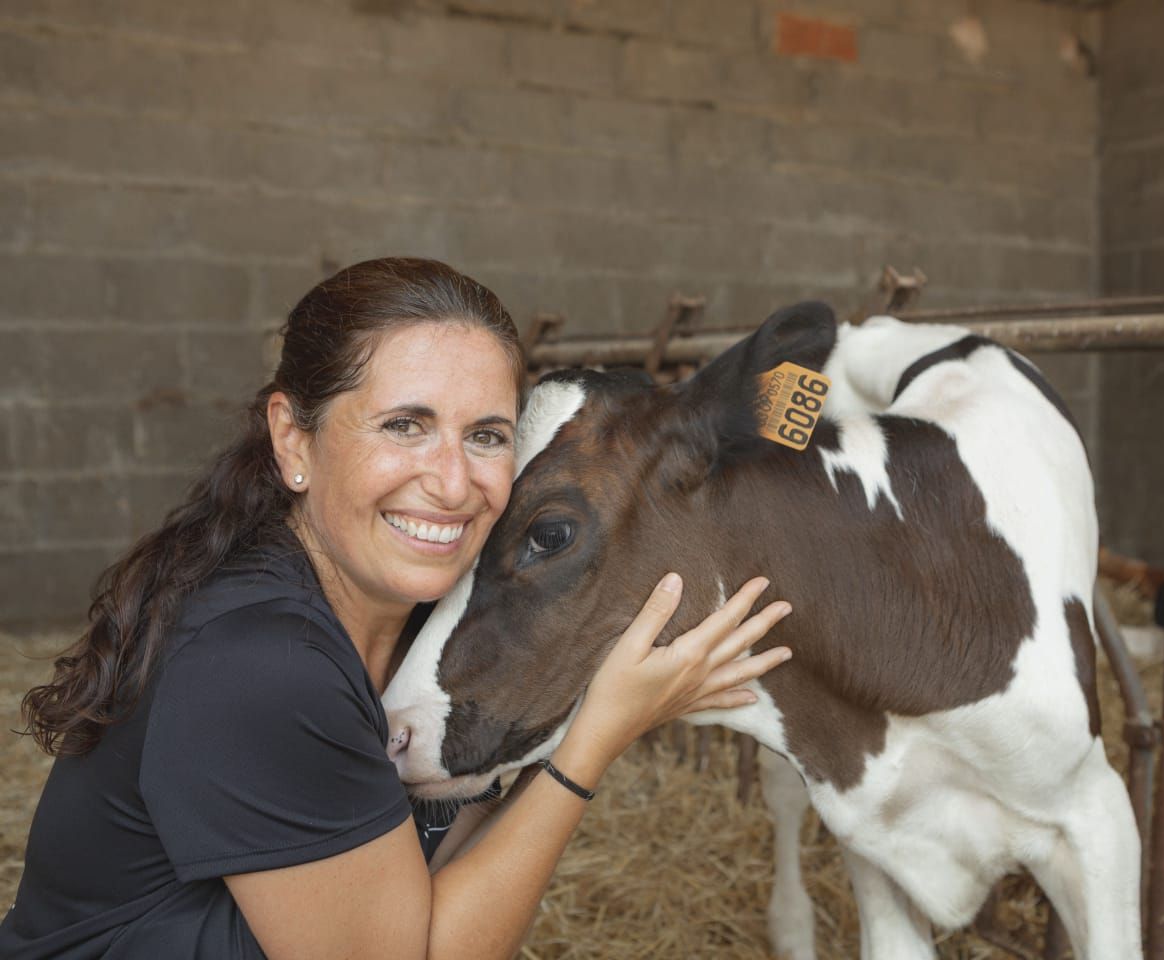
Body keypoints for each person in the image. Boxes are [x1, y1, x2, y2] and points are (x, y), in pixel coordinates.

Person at [1, 257, 793, 959]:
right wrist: (591, 744)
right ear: (293, 440)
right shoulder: (264, 664)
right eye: (405, 426)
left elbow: (432, 895)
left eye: (486, 435)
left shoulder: (422, 612)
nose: (453, 483)